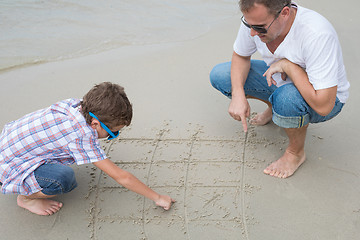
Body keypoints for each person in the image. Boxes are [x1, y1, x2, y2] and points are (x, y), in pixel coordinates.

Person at [210, 0, 350, 178]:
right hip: (280, 80)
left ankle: (295, 153)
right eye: (248, 25)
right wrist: (238, 95)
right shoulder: (256, 19)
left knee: (287, 99)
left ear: (284, 13)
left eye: (260, 28)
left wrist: (290, 67)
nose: (252, 32)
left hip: (327, 99)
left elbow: (325, 106)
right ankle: (273, 107)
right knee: (221, 75)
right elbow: (241, 56)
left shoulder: (317, 34)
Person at [0, 82, 175, 215]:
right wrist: (158, 198)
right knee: (63, 179)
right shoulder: (80, 136)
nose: (113, 137)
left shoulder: (75, 105)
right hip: (9, 167)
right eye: (113, 133)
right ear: (95, 123)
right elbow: (122, 177)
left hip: (8, 141)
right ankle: (26, 198)